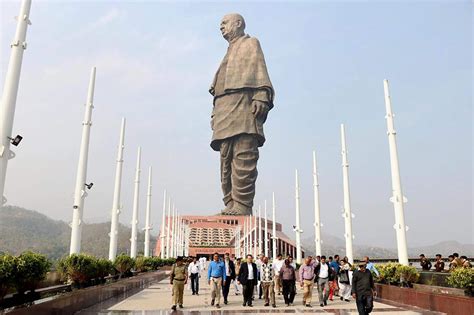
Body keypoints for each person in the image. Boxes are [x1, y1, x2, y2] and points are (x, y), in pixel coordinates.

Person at [210, 13, 275, 216]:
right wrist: (214, 113)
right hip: (224, 108)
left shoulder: (251, 43)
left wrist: (261, 96)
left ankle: (243, 205)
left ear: (238, 23)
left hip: (244, 104)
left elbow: (259, 71)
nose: (221, 26)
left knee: (244, 153)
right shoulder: (227, 52)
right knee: (225, 157)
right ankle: (230, 203)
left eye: (225, 22)